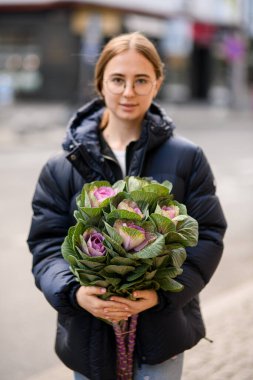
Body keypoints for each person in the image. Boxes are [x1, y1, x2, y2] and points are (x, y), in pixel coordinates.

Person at [27, 32, 227, 380]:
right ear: (100, 82)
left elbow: (208, 234)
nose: (128, 92)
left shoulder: (187, 157)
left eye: (141, 80)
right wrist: (74, 293)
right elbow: (46, 244)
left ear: (158, 83)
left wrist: (161, 295)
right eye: (118, 79)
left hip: (162, 332)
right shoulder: (62, 166)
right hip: (89, 337)